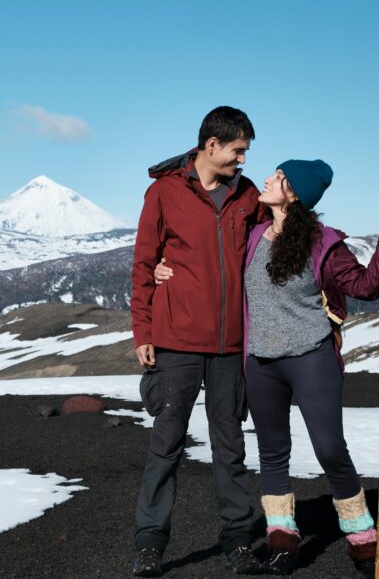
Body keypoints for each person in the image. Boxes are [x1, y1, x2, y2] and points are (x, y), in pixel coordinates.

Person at [154, 160, 379, 576]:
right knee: (272, 454)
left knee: (330, 450)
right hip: (260, 363)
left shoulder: (323, 242)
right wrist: (165, 266)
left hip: (311, 357)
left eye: (278, 177)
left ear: (294, 194)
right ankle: (282, 543)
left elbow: (366, 286)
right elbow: (210, 267)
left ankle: (363, 540)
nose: (268, 180)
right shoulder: (253, 236)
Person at [130, 106, 266, 577]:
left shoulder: (248, 196)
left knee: (230, 448)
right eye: (238, 150)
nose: (243, 160)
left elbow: (289, 226)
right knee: (166, 445)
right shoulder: (164, 193)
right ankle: (150, 543)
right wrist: (143, 331)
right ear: (212, 145)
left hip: (230, 345)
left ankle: (237, 540)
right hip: (177, 341)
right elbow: (144, 264)